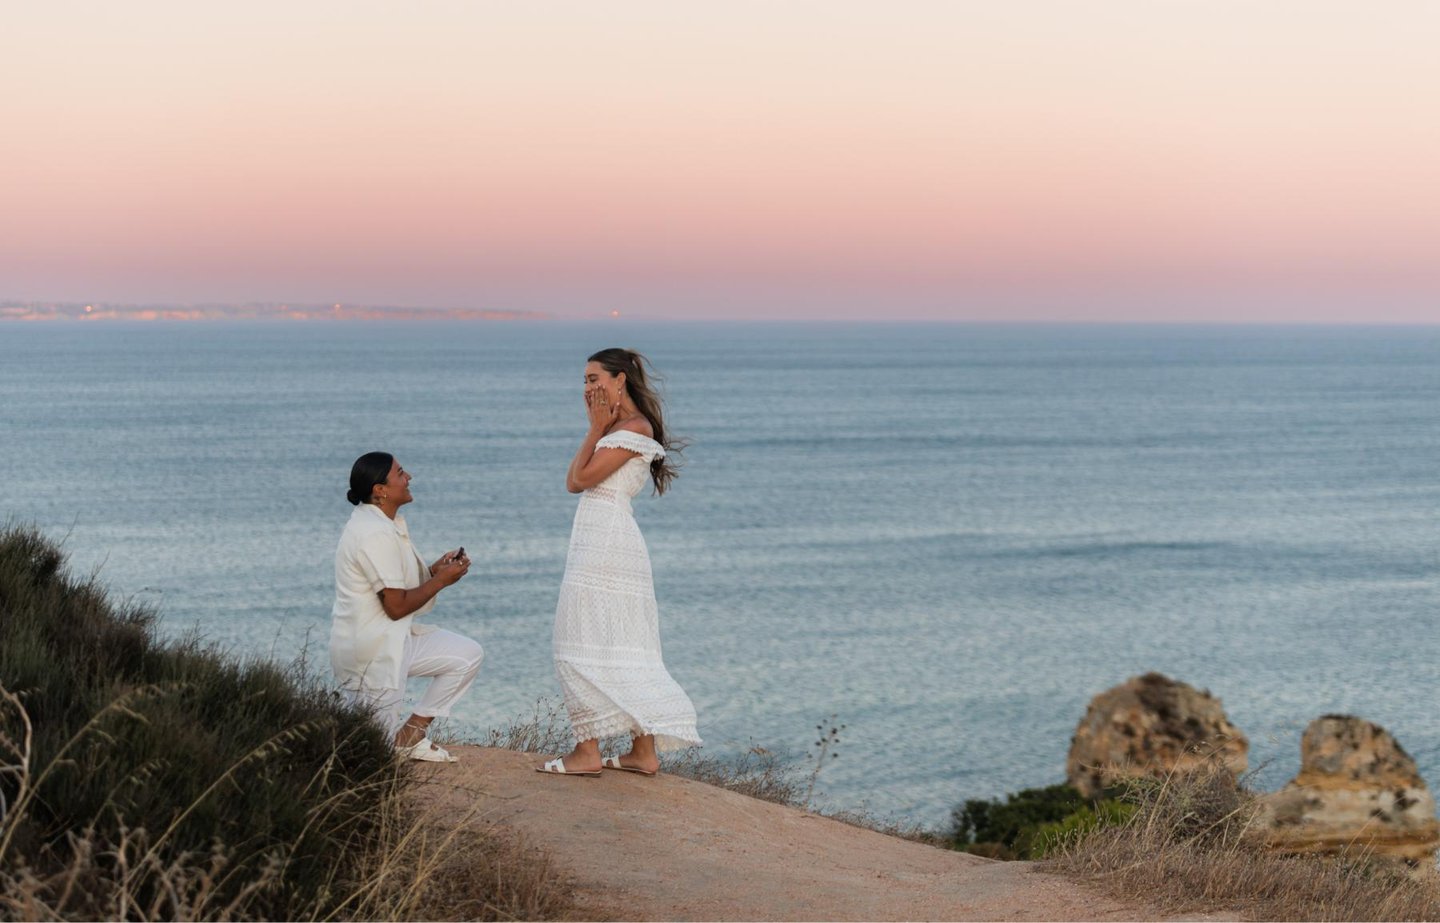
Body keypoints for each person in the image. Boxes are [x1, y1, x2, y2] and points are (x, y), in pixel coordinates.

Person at [539, 348, 702, 777]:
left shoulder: (634, 428)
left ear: (620, 381)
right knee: (620, 642)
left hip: (607, 543)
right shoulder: (618, 427)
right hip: (602, 538)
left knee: (575, 642)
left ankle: (587, 751)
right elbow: (573, 479)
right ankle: (642, 752)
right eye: (585, 380)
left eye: (595, 378)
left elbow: (578, 481)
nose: (588, 388)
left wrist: (593, 430)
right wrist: (597, 429)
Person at [330, 451, 484, 762]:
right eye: (400, 473)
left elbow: (395, 589)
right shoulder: (373, 533)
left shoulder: (384, 523)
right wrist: (442, 582)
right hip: (372, 654)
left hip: (394, 641)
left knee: (466, 656)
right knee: (372, 755)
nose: (409, 476)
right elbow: (396, 607)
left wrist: (433, 572)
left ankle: (410, 737)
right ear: (380, 490)